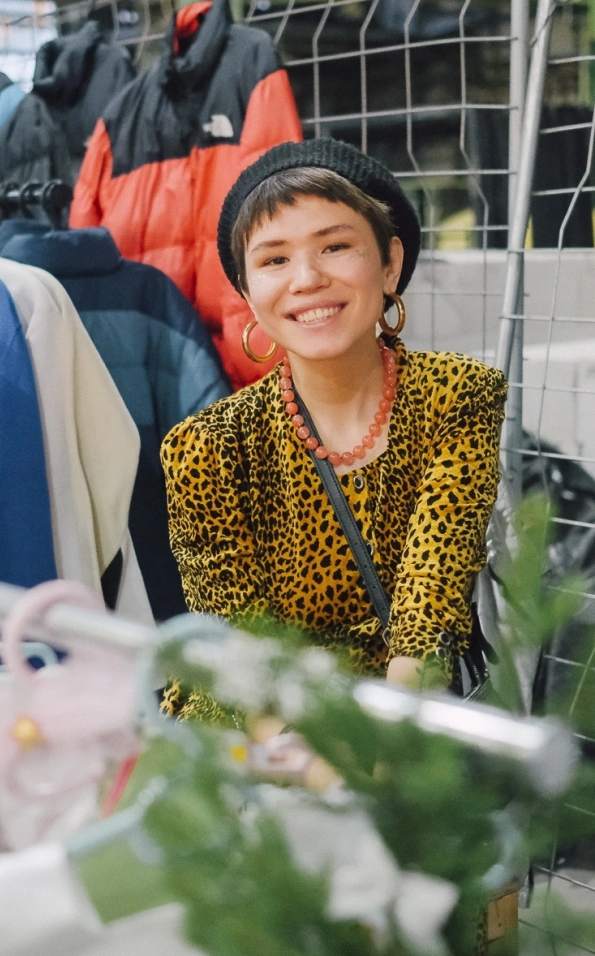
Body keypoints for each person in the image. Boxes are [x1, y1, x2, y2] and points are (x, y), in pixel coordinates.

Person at [160, 139, 507, 721]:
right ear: (246, 292)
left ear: (389, 263)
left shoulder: (458, 396)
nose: (306, 279)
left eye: (336, 246)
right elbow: (239, 653)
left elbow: (430, 607)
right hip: (255, 736)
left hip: (408, 725)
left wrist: (380, 755)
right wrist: (309, 761)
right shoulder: (206, 449)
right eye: (274, 260)